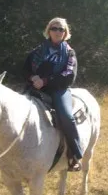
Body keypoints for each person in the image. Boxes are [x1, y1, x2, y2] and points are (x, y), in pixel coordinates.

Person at [23, 17, 82, 171]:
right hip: (35, 87)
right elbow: (25, 69)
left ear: (65, 33)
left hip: (58, 89)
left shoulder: (70, 53)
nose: (57, 31)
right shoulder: (37, 51)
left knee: (66, 116)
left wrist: (45, 81)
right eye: (54, 28)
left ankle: (74, 154)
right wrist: (33, 77)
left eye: (61, 29)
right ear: (48, 31)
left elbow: (69, 75)